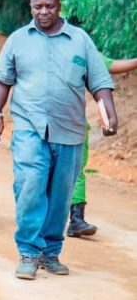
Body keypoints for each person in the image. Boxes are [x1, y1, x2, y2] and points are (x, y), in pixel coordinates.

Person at [0, 0, 117, 280]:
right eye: (38, 7)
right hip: (29, 128)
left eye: (49, 6)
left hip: (69, 131)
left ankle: (51, 252)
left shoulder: (80, 40)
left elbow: (99, 82)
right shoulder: (18, 40)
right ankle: (29, 252)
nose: (43, 12)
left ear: (59, 6)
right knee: (30, 187)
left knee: (60, 196)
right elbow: (1, 81)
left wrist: (109, 114)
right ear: (30, 7)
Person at [67, 55, 137, 237]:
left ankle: (76, 219)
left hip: (74, 124)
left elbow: (110, 65)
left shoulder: (81, 45)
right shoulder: (34, 44)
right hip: (41, 124)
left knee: (77, 171)